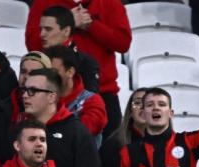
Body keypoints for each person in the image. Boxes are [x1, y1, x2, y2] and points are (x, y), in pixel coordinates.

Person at [26, 0, 131, 134]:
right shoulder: (44, 2)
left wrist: (92, 25)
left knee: (108, 152)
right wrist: (67, 21)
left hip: (104, 93)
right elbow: (32, 45)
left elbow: (123, 43)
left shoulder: (110, 3)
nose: (43, 33)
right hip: (54, 96)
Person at [35, 5, 101, 95]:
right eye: (41, 29)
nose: (41, 34)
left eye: (48, 29)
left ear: (66, 31)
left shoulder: (85, 64)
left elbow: (87, 101)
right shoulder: (36, 60)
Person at [46, 45, 107, 141]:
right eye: (45, 72)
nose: (48, 76)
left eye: (54, 71)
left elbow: (80, 134)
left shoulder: (92, 101)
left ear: (70, 72)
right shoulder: (40, 98)